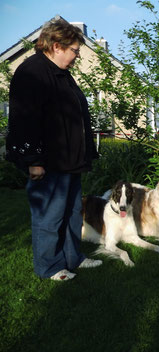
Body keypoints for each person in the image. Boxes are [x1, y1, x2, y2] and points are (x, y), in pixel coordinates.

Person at [6, 19, 102, 280]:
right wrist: (33, 159)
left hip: (70, 160)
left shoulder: (62, 74)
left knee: (72, 214)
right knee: (49, 217)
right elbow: (24, 119)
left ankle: (72, 259)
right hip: (49, 161)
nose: (77, 56)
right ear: (56, 45)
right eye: (74, 51)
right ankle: (49, 267)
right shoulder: (32, 72)